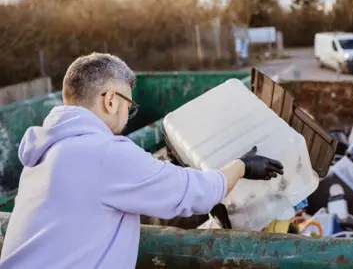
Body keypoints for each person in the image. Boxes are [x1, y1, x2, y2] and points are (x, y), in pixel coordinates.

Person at [0, 53, 284, 268]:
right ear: (111, 100)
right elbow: (195, 194)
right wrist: (242, 166)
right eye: (129, 106)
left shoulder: (45, 154)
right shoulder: (103, 152)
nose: (128, 114)